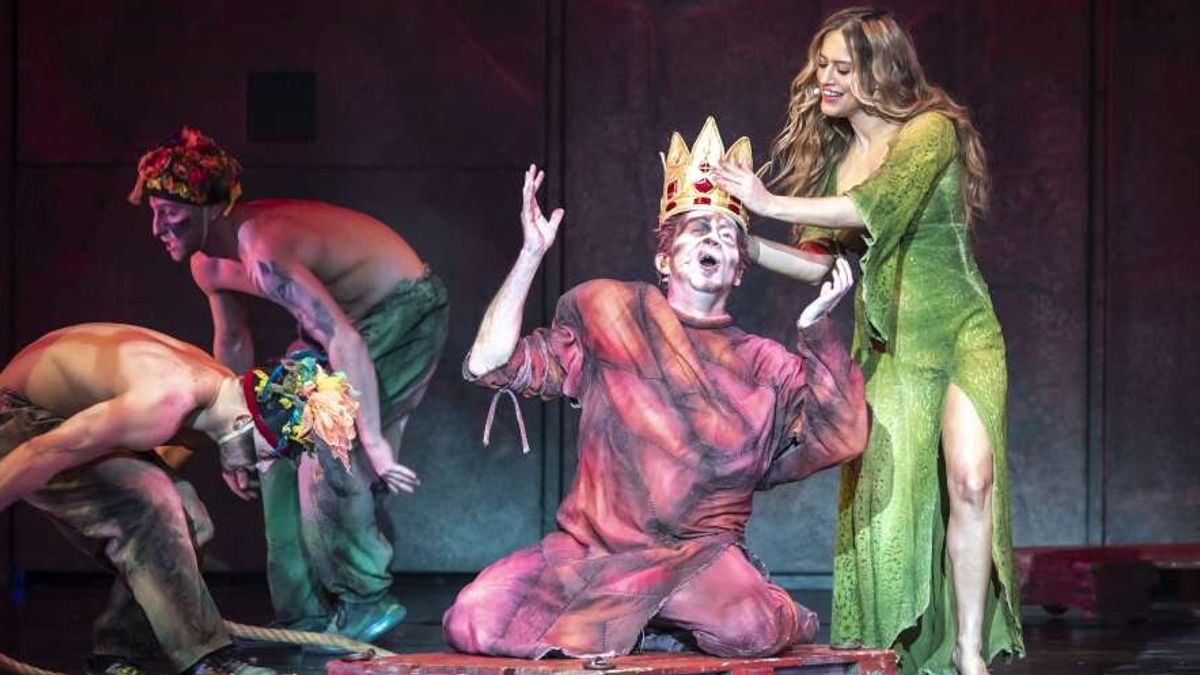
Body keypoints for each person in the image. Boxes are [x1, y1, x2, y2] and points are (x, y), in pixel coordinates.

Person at [443, 117, 868, 659]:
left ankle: (677, 620)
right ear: (664, 258)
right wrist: (530, 256)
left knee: (750, 628)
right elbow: (491, 363)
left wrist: (818, 332)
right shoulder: (611, 312)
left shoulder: (766, 363)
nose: (713, 239)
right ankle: (646, 630)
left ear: (739, 270)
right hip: (593, 554)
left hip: (697, 559)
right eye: (698, 228)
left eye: (727, 236)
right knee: (475, 617)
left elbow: (843, 437)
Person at [711, 8, 1024, 674]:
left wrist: (768, 202)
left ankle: (969, 650)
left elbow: (878, 204)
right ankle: (902, 647)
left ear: (880, 71)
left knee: (973, 478)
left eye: (842, 68)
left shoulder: (930, 131)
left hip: (962, 331)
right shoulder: (837, 162)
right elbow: (821, 265)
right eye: (821, 65)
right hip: (889, 347)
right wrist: (748, 243)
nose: (825, 79)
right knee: (895, 510)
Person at [128, 127, 449, 640]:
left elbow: (345, 339)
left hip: (402, 311)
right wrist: (234, 434)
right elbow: (234, 342)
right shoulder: (207, 265)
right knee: (269, 441)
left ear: (210, 208)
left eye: (170, 213)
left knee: (325, 440)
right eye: (154, 213)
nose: (157, 228)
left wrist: (372, 440)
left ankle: (365, 598)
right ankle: (303, 612)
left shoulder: (264, 251)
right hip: (334, 332)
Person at [0, 323, 288, 675]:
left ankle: (117, 656)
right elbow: (41, 451)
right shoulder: (165, 401)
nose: (256, 470)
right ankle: (208, 664)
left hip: (68, 414)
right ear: (243, 423)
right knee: (154, 501)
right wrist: (151, 514)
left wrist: (158, 531)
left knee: (189, 521)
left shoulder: (218, 390)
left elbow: (157, 489)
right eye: (264, 456)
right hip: (17, 413)